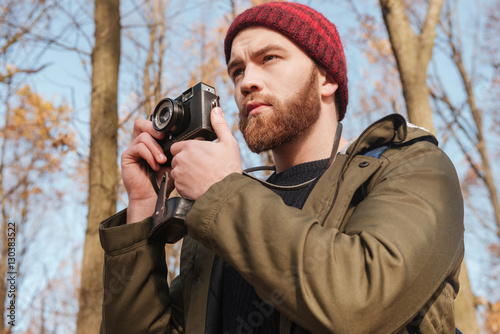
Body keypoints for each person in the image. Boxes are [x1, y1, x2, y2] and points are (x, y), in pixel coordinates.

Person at [99, 2, 464, 333]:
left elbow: (360, 303)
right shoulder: (216, 224)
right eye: (237, 70)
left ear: (327, 78)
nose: (247, 82)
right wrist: (143, 208)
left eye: (269, 58)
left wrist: (224, 192)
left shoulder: (412, 167)